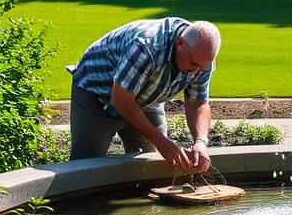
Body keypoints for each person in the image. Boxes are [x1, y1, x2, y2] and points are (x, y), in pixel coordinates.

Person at [69, 18, 220, 171]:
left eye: (203, 67)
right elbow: (121, 100)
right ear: (180, 43)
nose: (196, 71)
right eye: (193, 64)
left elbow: (197, 103)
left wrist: (200, 142)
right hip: (97, 92)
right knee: (85, 167)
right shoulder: (147, 46)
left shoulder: (201, 58)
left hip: (144, 99)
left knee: (152, 168)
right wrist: (160, 141)